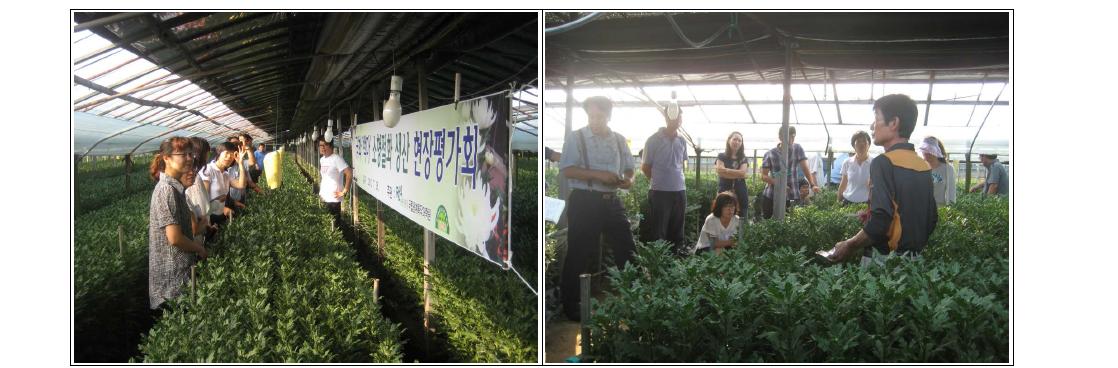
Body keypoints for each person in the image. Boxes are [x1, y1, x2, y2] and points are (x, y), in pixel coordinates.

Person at [828, 94, 938, 264]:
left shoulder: (883, 162)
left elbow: (881, 220)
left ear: (894, 123)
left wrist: (849, 244)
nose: (872, 126)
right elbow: (930, 218)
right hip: (914, 260)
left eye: (876, 118)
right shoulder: (923, 165)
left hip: (884, 259)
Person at [558, 96, 637, 322]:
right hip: (585, 200)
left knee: (627, 248)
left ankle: (634, 296)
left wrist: (628, 180)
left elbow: (631, 169)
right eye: (591, 116)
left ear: (608, 116)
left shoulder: (620, 140)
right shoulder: (577, 137)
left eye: (600, 116)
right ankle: (571, 305)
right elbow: (568, 170)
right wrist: (598, 175)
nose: (595, 121)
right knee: (578, 252)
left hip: (612, 201)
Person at [147, 137, 207, 312]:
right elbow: (174, 238)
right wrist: (199, 248)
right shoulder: (166, 190)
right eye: (183, 154)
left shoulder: (176, 188)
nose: (189, 158)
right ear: (166, 158)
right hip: (170, 285)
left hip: (178, 277)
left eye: (191, 154)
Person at [641, 106, 688, 253]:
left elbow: (682, 164)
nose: (677, 120)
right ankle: (659, 263)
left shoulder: (682, 140)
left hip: (680, 191)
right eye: (674, 117)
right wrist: (659, 182)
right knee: (659, 231)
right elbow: (645, 167)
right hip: (659, 192)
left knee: (677, 229)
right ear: (666, 117)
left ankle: (676, 260)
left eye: (679, 117)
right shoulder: (653, 140)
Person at [760, 125, 821, 219]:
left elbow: (805, 167)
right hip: (772, 195)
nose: (791, 139)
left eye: (793, 136)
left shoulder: (797, 149)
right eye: (789, 136)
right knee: (769, 224)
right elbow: (763, 176)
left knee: (790, 223)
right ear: (780, 137)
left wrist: (812, 185)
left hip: (791, 195)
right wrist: (780, 184)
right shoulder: (770, 154)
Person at [199, 142, 238, 229]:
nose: (229, 157)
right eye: (227, 153)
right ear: (219, 153)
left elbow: (241, 185)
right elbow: (203, 200)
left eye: (232, 155)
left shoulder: (226, 174)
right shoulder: (208, 169)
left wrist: (241, 163)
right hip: (208, 218)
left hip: (219, 215)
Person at [318, 137, 352, 227]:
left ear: (330, 146)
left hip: (333, 199)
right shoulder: (322, 160)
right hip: (324, 196)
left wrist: (344, 191)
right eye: (320, 145)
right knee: (325, 225)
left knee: (334, 226)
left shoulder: (337, 159)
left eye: (324, 145)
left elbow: (349, 173)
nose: (322, 148)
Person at [184, 138, 213, 244]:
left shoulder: (194, 176)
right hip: (195, 237)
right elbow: (201, 208)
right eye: (207, 153)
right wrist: (206, 223)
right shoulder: (194, 178)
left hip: (198, 230)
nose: (207, 157)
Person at [694, 191, 741, 255]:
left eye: (732, 206)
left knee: (734, 253)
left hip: (724, 248)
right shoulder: (711, 219)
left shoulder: (736, 220)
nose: (730, 209)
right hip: (705, 248)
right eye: (726, 206)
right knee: (720, 252)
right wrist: (731, 242)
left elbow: (733, 242)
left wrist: (732, 243)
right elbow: (713, 243)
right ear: (719, 207)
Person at [715, 131, 750, 217]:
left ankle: (741, 231)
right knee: (722, 214)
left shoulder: (743, 158)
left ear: (741, 143)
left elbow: (742, 173)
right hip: (724, 190)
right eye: (735, 139)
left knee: (742, 216)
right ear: (729, 140)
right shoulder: (721, 156)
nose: (737, 142)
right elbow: (720, 171)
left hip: (741, 192)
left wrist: (725, 170)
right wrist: (738, 174)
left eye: (739, 140)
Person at [837, 131, 874, 206]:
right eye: (858, 142)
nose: (862, 144)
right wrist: (838, 201)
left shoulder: (874, 163)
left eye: (864, 141)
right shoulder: (847, 162)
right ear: (854, 146)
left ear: (869, 145)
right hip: (848, 202)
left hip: (866, 203)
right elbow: (843, 183)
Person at [919, 136, 957, 206]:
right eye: (924, 150)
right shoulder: (918, 167)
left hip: (940, 210)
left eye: (930, 150)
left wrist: (950, 210)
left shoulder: (948, 169)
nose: (926, 153)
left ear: (937, 151)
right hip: (921, 209)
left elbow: (951, 193)